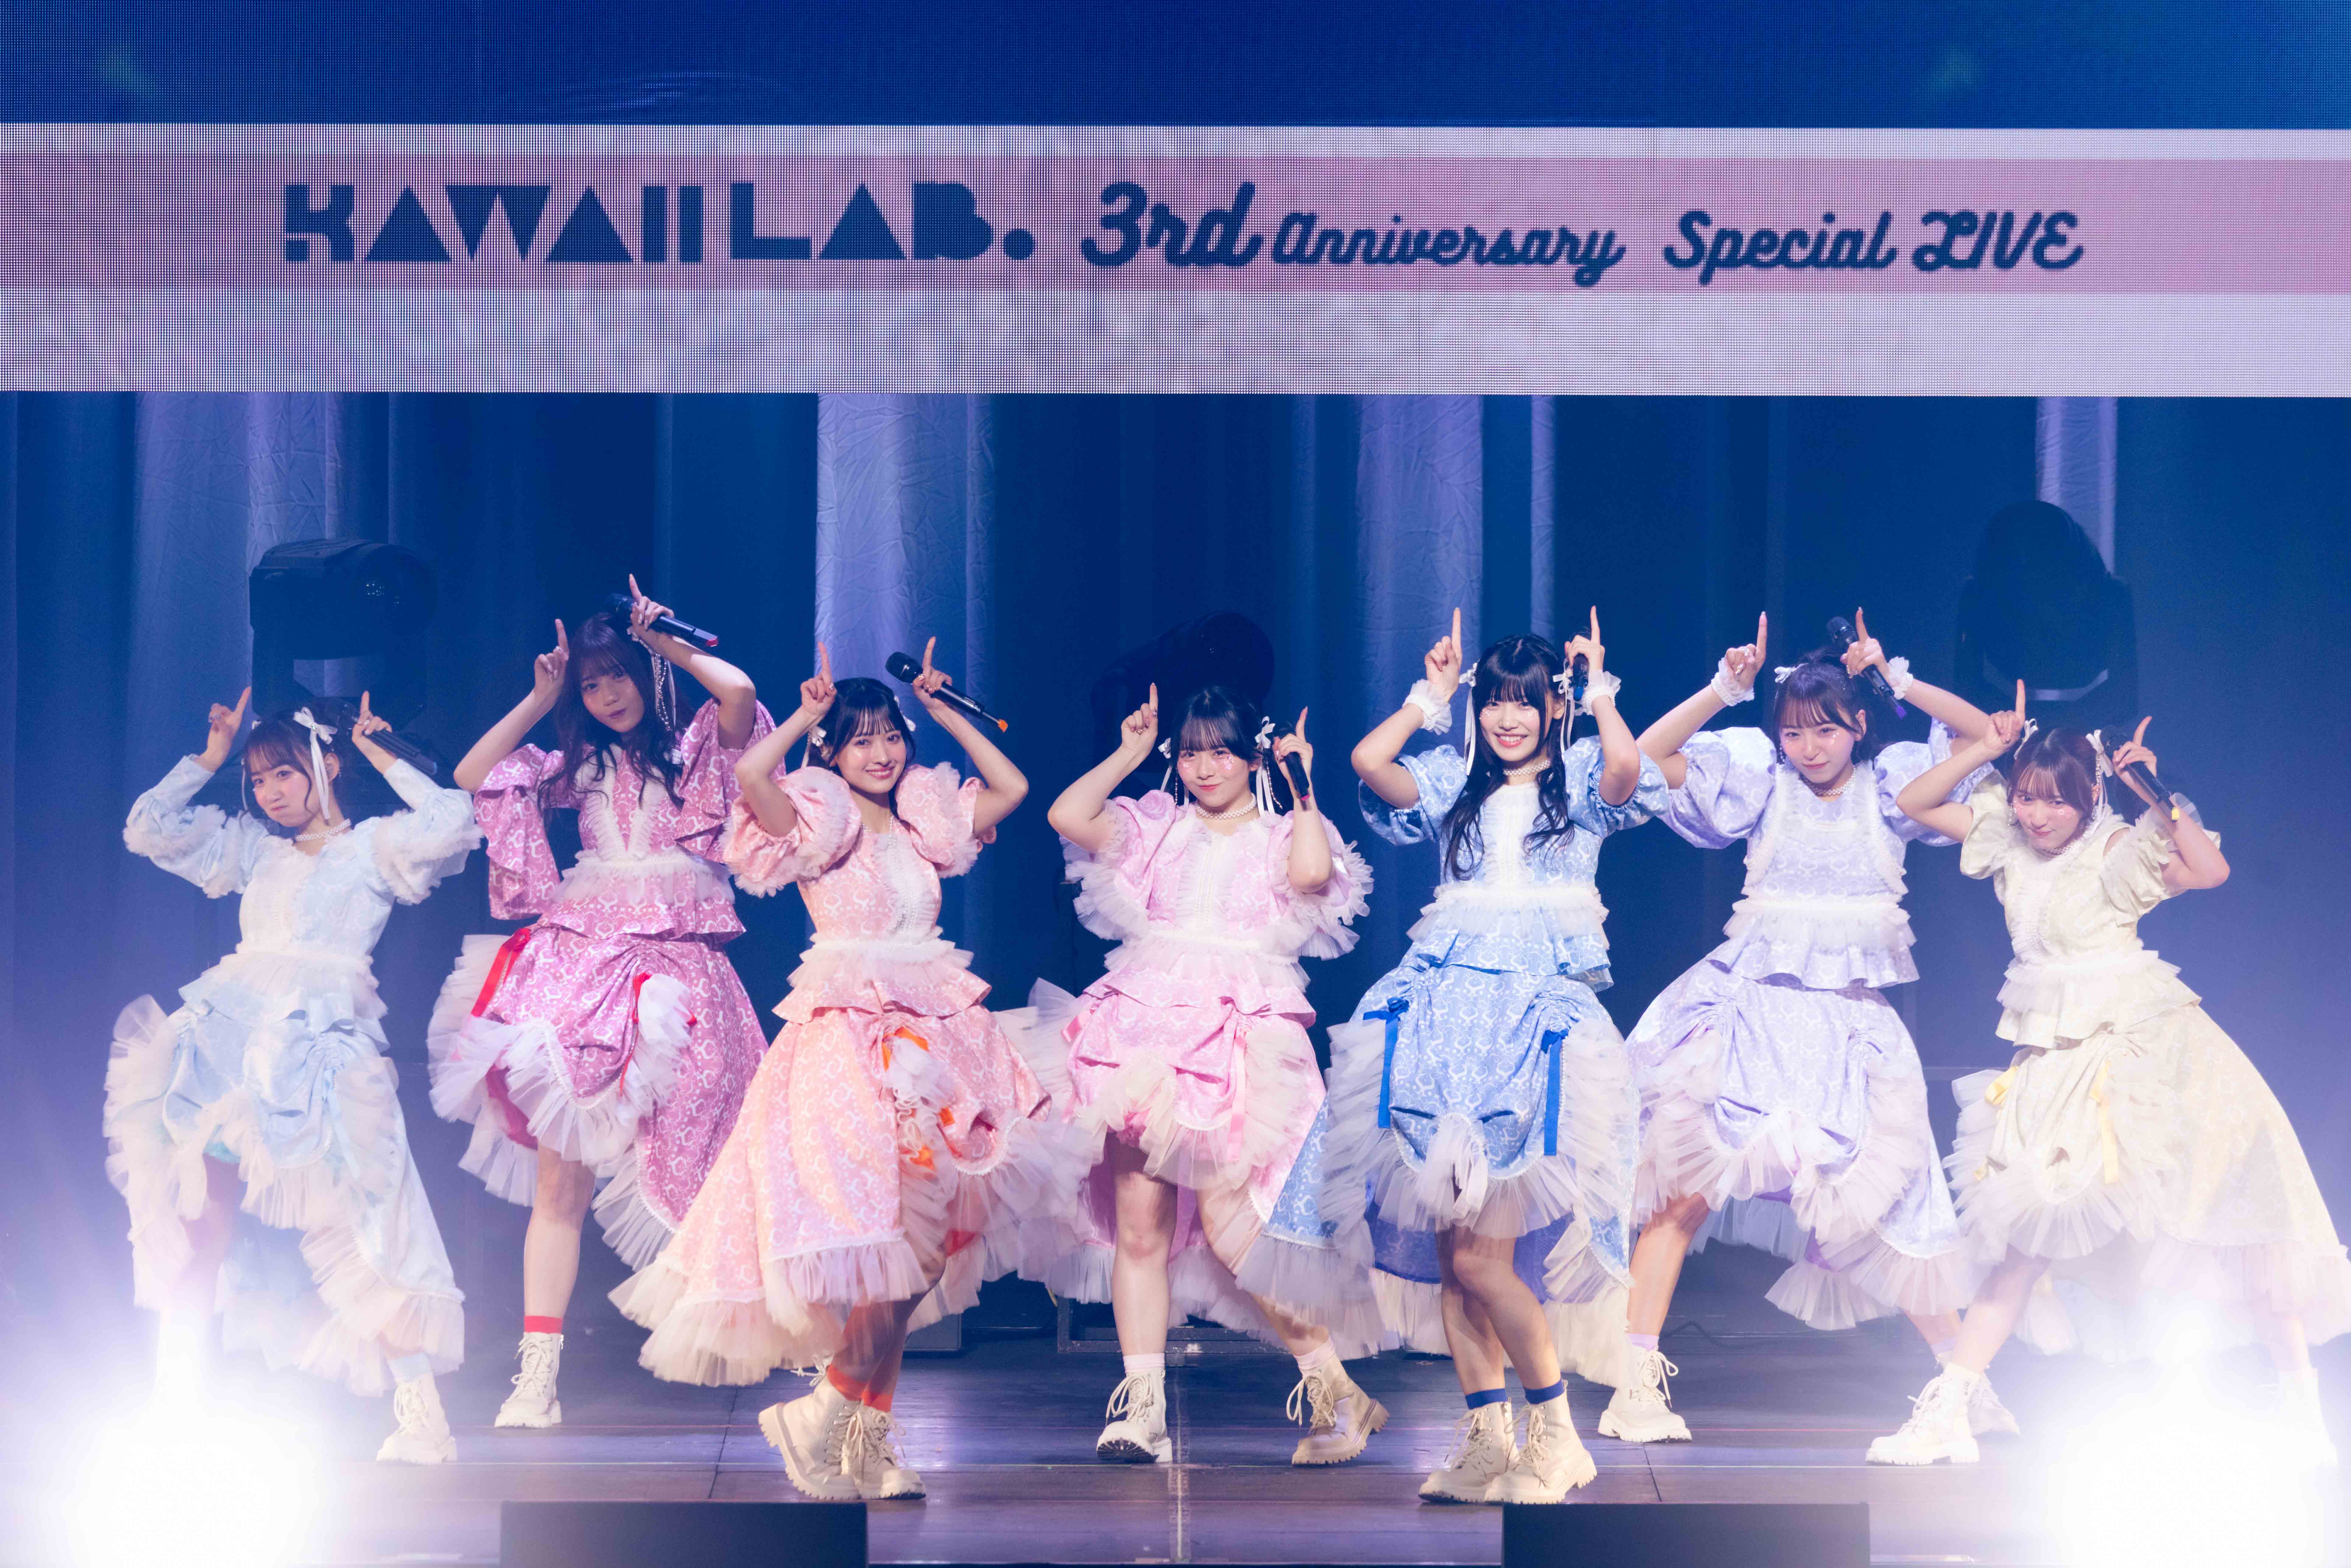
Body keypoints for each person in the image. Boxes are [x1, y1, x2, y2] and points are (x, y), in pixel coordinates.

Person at [613, 642, 1083, 1502]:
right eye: (861, 738)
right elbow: (751, 774)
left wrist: (944, 711)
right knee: (896, 1244)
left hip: (936, 1031)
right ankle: (833, 1413)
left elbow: (1012, 787)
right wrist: (802, 715)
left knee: (924, 1248)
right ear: (831, 750)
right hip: (851, 1042)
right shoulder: (815, 815)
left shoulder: (922, 819)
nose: (882, 752)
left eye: (891, 735)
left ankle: (855, 1431)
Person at [1868, 694, 2348, 1467]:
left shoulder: (2119, 846)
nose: (2037, 815)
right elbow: (1914, 802)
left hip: (2149, 1053)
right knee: (2026, 1236)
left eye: (2056, 801)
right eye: (2028, 797)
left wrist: (2152, 791)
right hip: (2056, 1058)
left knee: (2241, 1221)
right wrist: (1986, 748)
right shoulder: (2008, 840)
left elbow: (2212, 869)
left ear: (2089, 796)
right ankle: (1950, 1411)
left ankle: (2303, 1415)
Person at [1611, 612, 2000, 1446]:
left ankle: (1961, 1382)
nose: (1808, 746)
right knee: (1682, 1194)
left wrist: (1896, 677)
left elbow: (1985, 737)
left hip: (1847, 1026)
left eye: (1825, 729)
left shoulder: (1894, 788)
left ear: (1858, 725)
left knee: (1894, 1206)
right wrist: (1721, 690)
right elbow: (1644, 759)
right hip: (1752, 1010)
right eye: (1793, 731)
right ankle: (1634, 1383)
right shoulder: (1762, 782)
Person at [1333, 610, 1664, 1504]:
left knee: (1485, 1260)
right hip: (1444, 1024)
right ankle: (1488, 1438)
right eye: (1494, 702)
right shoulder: (1454, 782)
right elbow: (1368, 762)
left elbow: (1628, 773)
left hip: (1530, 1027)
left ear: (1553, 706)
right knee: (1455, 1264)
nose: (1507, 718)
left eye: (1526, 702)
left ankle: (1558, 1436)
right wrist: (1429, 697)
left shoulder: (1582, 774)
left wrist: (1599, 691)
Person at [429, 579, 769, 1428]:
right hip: (582, 965)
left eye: (618, 674)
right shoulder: (574, 766)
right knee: (562, 1176)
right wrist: (541, 696)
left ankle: (774, 1341)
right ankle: (536, 1376)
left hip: (681, 969)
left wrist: (665, 643)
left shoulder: (696, 749)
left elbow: (738, 693)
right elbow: (473, 775)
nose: (607, 694)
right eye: (591, 683)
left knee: (721, 1152)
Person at [108, 689, 478, 1462]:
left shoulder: (372, 847)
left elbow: (452, 821)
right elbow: (147, 827)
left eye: (283, 773)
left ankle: (422, 1418)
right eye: (258, 779)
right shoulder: (256, 850)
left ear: (325, 764)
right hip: (227, 1040)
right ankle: (173, 1405)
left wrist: (382, 754)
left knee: (368, 1220)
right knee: (198, 1225)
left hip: (319, 1049)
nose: (270, 792)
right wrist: (207, 760)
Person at [1028, 683, 1384, 1467]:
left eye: (1221, 751)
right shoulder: (1158, 827)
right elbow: (1067, 815)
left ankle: (1336, 1388)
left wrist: (1303, 786)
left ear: (1251, 756)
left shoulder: (1283, 831)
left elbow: (1314, 874)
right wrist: (1129, 751)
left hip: (1233, 1036)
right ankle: (1143, 1408)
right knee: (1140, 1226)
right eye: (1190, 752)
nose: (1204, 766)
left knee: (1235, 1227)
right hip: (1143, 1032)